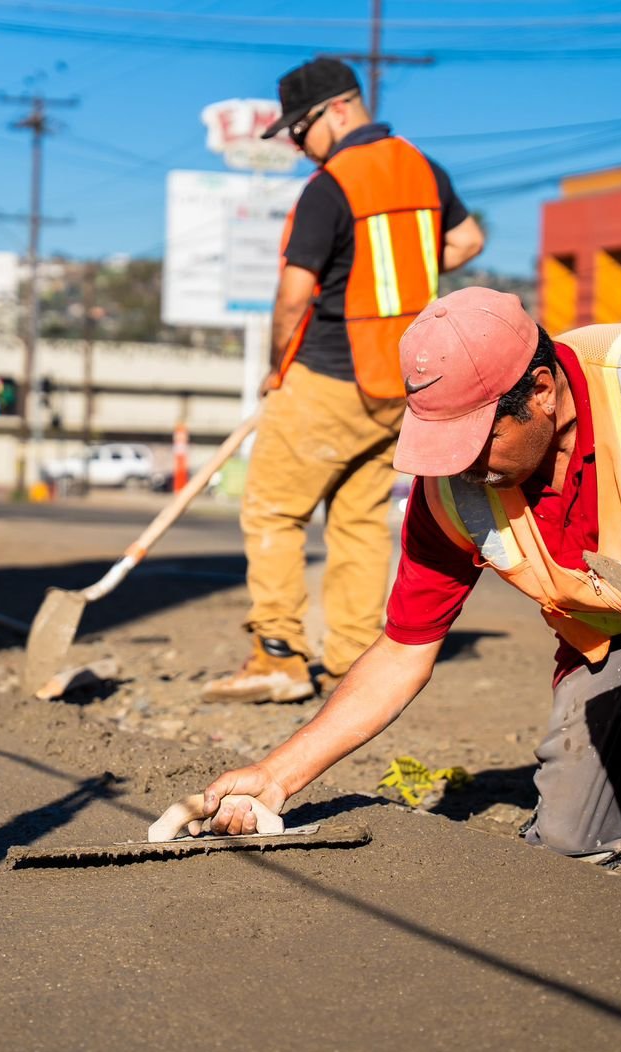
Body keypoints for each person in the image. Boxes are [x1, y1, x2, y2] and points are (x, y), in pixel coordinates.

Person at [190, 288, 621, 895]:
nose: (461, 465)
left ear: (541, 390)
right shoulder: (452, 489)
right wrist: (278, 774)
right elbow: (402, 651)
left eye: (476, 439)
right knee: (569, 838)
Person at [200, 58, 486, 705]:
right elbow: (467, 240)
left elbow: (293, 295)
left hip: (330, 375)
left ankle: (277, 655)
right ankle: (352, 661)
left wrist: (276, 367)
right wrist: (406, 270)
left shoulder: (331, 186)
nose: (299, 147)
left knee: (273, 510)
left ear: (337, 109)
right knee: (358, 521)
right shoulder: (422, 168)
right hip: (401, 386)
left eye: (300, 131)